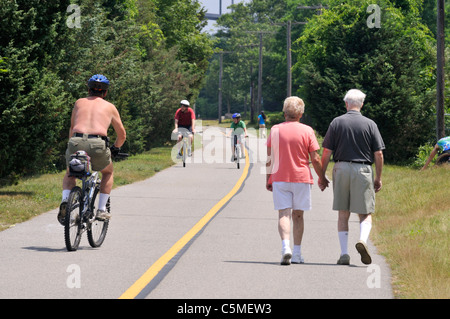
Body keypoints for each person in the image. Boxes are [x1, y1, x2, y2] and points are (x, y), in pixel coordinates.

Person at [321, 89, 384, 265]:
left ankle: (344, 253)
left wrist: (322, 175)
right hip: (363, 169)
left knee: (343, 213)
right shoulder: (370, 124)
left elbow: (326, 152)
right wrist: (378, 177)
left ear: (346, 103)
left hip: (341, 168)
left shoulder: (336, 122)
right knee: (364, 213)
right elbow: (378, 154)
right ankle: (362, 239)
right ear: (362, 104)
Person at [266, 97, 328, 265]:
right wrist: (322, 177)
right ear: (301, 113)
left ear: (284, 113)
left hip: (280, 177)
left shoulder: (275, 130)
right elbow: (315, 158)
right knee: (298, 216)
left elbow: (270, 158)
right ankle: (298, 253)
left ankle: (286, 247)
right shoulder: (308, 131)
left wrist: (268, 178)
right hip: (301, 178)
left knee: (284, 213)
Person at [58, 74, 126, 225]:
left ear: (88, 90)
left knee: (71, 172)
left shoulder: (79, 102)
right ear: (105, 92)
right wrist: (115, 148)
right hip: (97, 143)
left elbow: (71, 127)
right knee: (108, 172)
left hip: (75, 141)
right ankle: (101, 209)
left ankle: (65, 202)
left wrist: (72, 145)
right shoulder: (110, 107)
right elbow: (122, 134)